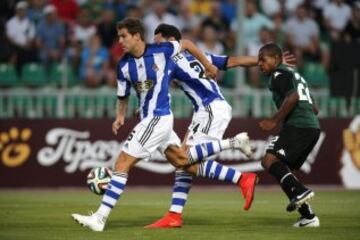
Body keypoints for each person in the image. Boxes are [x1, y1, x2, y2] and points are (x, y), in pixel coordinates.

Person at [71, 18, 252, 232]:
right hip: (152, 117)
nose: (119, 40)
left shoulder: (164, 51)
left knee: (122, 163)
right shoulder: (124, 65)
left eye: (123, 36)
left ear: (137, 36)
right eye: (118, 36)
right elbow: (123, 95)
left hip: (160, 118)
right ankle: (178, 212)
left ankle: (99, 218)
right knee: (183, 161)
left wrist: (208, 64)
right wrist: (120, 116)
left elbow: (187, 43)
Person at [145, 24, 296, 229]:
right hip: (207, 110)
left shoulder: (170, 59)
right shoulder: (198, 55)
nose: (155, 46)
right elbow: (234, 61)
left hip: (210, 109)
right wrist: (267, 62)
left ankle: (241, 171)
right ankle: (174, 215)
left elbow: (158, 86)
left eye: (158, 41)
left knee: (184, 159)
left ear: (171, 40)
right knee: (183, 161)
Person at [257, 43, 320, 228]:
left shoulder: (278, 74)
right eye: (258, 60)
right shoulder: (294, 75)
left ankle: (300, 191)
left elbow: (293, 97)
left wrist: (274, 121)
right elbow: (314, 108)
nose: (259, 64)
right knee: (285, 171)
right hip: (311, 127)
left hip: (298, 126)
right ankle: (308, 217)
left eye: (263, 59)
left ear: (276, 59)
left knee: (269, 160)